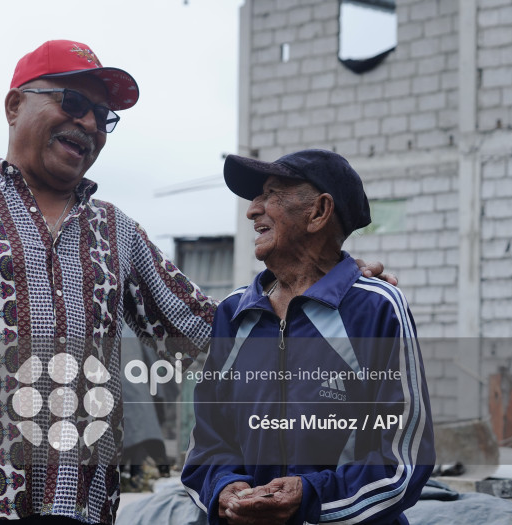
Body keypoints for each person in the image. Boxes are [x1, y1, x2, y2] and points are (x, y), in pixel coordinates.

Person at [0, 40, 393, 525]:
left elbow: (217, 333)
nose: (90, 123)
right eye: (73, 102)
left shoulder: (117, 232)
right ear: (14, 105)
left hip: (79, 505)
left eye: (103, 116)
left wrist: (324, 278)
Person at [181, 150, 434, 525]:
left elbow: (403, 461)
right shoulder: (233, 313)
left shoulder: (376, 308)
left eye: (271, 194)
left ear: (318, 212)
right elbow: (207, 443)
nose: (252, 210)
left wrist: (310, 498)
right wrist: (223, 488)